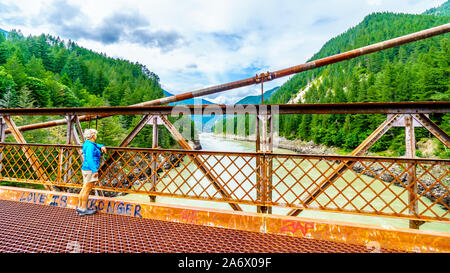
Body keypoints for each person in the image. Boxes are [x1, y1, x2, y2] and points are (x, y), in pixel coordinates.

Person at [76, 129, 107, 216]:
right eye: (95, 135)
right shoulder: (90, 146)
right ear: (93, 136)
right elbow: (89, 158)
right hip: (90, 169)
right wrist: (94, 170)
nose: (96, 136)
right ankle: (83, 209)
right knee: (87, 189)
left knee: (84, 188)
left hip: (85, 168)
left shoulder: (87, 143)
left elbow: (96, 145)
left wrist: (101, 146)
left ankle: (80, 207)